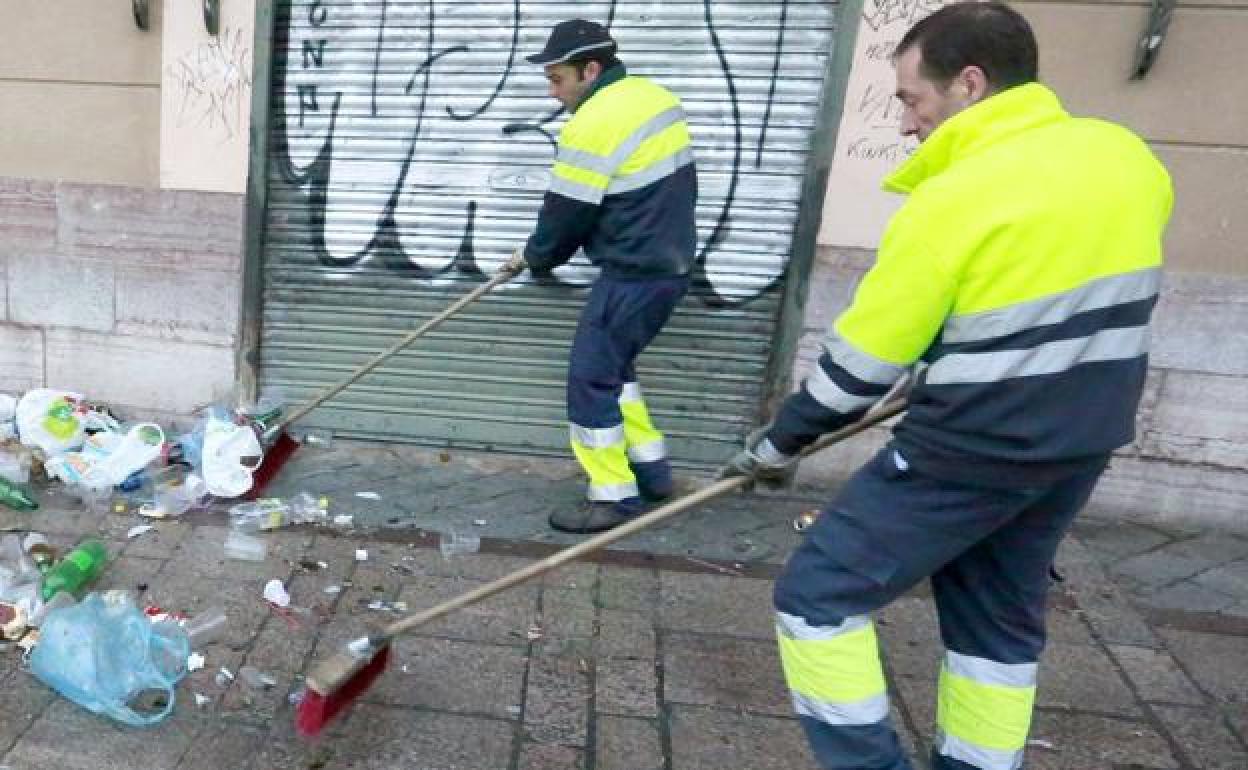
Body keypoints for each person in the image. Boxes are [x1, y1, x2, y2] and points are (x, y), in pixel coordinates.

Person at [720, 4, 1172, 769]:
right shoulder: (1126, 158)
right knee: (996, 622)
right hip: (1082, 438)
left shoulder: (953, 198)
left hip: (974, 445)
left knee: (818, 598)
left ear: (968, 84)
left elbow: (860, 367)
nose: (905, 123)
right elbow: (1048, 286)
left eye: (910, 98)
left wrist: (775, 444)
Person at [507, 19, 698, 534]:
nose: (554, 91)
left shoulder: (593, 123)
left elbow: (566, 214)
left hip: (635, 273)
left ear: (590, 70)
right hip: (671, 265)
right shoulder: (653, 97)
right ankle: (652, 473)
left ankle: (613, 498)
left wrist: (535, 258)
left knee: (591, 378)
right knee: (615, 372)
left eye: (558, 78)